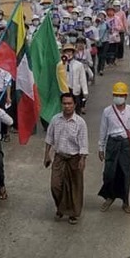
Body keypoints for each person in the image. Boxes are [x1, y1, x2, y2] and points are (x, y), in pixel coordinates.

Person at [98, 82, 130, 214]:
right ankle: (109, 196)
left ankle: (125, 201)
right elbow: (103, 130)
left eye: (121, 95)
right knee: (109, 173)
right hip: (112, 144)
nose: (118, 97)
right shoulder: (107, 112)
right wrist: (101, 147)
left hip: (126, 145)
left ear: (126, 96)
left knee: (125, 173)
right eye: (116, 95)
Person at [44, 93, 89, 225]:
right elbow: (49, 139)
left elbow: (84, 144)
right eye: (64, 103)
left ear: (74, 105)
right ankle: (61, 207)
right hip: (59, 157)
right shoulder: (55, 120)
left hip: (74, 158)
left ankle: (73, 213)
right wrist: (47, 155)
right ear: (61, 104)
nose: (67, 106)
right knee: (55, 186)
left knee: (75, 188)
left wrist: (82, 160)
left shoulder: (80, 123)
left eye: (70, 103)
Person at [62, 44, 89, 115]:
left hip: (75, 90)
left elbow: (82, 78)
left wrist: (85, 91)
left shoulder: (79, 65)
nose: (68, 53)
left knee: (77, 109)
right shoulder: (61, 65)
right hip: (65, 89)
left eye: (70, 51)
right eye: (66, 51)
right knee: (66, 109)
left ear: (73, 53)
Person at [95, 11, 109, 76]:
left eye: (102, 15)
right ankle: (98, 67)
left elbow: (110, 30)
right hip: (98, 42)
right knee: (99, 56)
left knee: (103, 55)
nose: (101, 16)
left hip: (105, 41)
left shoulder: (106, 23)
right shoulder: (96, 24)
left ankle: (101, 69)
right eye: (99, 15)